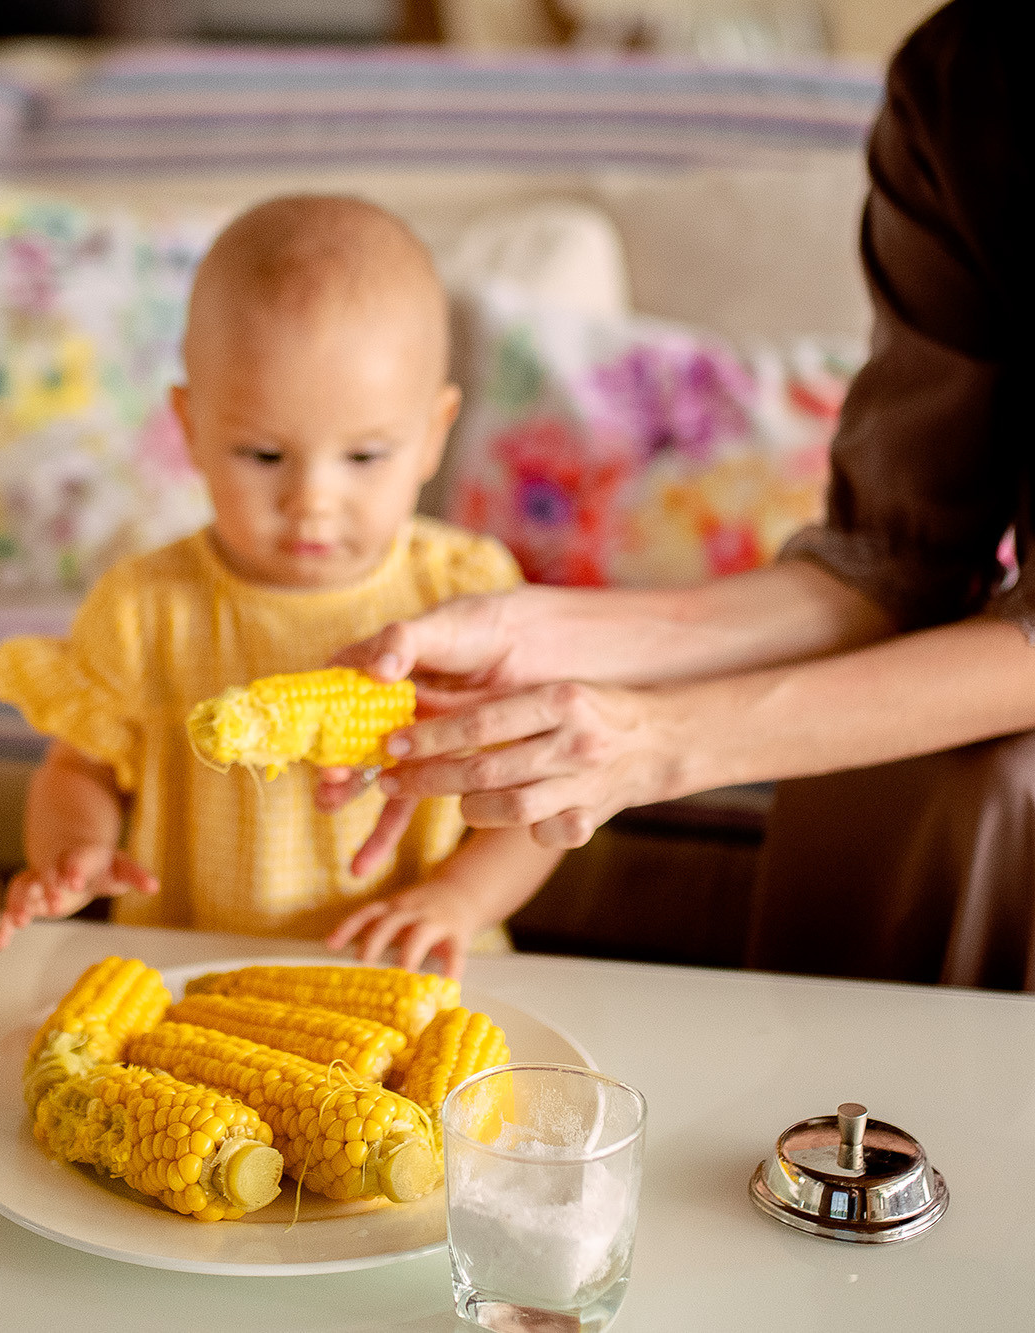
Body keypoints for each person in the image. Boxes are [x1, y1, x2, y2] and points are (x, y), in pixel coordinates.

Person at [318, 0, 1034, 990]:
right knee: (886, 764)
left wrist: (660, 740)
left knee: (996, 777)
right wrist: (557, 638)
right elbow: (894, 563)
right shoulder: (961, 84)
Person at [0, 196, 562, 976]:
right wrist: (74, 849)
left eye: (363, 458)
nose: (312, 500)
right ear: (190, 428)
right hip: (196, 973)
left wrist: (458, 898)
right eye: (263, 455)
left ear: (433, 433)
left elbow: (537, 794)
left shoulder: (466, 595)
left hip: (407, 966)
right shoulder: (145, 608)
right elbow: (78, 768)